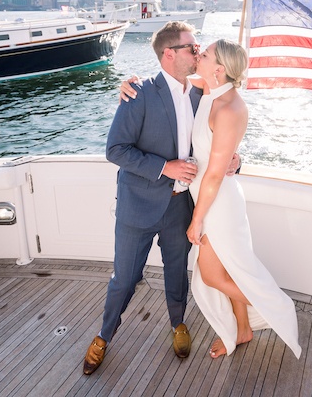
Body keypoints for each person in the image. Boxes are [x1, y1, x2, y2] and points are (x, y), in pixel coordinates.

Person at [84, 21, 239, 376]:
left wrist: (237, 160)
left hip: (180, 207)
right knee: (124, 278)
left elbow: (224, 135)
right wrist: (164, 167)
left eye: (198, 47)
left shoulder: (202, 94)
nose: (198, 52)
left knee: (176, 274)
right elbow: (115, 150)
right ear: (169, 54)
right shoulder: (138, 93)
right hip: (137, 207)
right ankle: (104, 335)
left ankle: (177, 324)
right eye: (191, 47)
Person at [186, 39, 302, 359]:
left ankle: (275, 307)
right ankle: (243, 328)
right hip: (209, 199)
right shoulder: (210, 90)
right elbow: (179, 77)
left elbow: (213, 174)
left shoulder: (229, 108)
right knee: (230, 271)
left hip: (217, 206)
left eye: (205, 54)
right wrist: (133, 83)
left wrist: (197, 220)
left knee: (211, 275)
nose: (199, 55)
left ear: (219, 70)